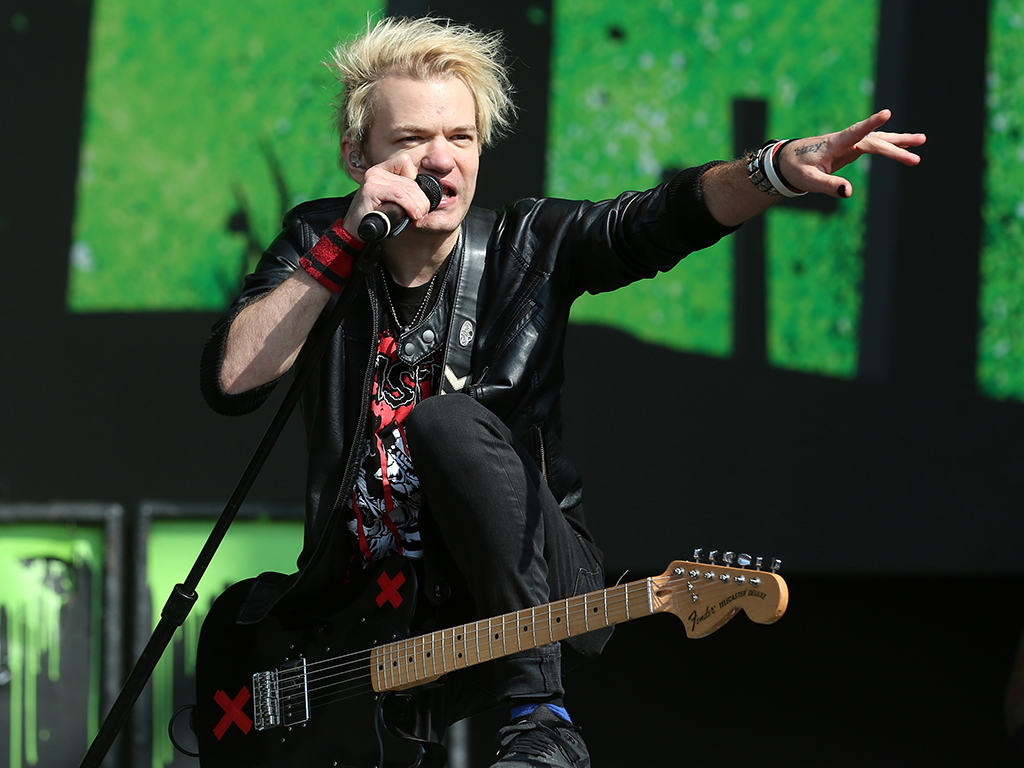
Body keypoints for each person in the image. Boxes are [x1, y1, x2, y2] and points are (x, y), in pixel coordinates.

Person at [200, 15, 925, 768]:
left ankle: (540, 720)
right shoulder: (321, 242)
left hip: (539, 579)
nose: (440, 161)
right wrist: (342, 245)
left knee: (445, 421)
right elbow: (231, 382)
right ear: (359, 155)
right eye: (412, 140)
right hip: (377, 616)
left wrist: (768, 170)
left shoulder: (528, 247)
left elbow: (649, 221)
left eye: (462, 137)